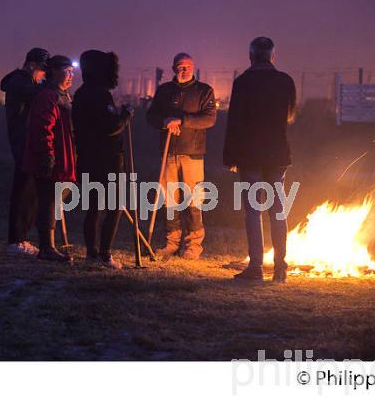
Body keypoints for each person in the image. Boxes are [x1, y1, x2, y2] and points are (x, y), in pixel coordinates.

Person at [223, 37, 297, 283]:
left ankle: (255, 267)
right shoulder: (286, 81)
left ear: (250, 56)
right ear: (273, 57)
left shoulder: (242, 83)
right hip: (277, 154)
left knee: (253, 212)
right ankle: (280, 269)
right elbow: (290, 115)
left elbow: (234, 122)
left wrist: (230, 156)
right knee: (278, 212)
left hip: (250, 155)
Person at [146, 53, 216, 260]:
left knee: (194, 199)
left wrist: (181, 120)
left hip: (193, 153)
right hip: (168, 151)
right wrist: (165, 121)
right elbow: (151, 116)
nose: (184, 70)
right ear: (173, 68)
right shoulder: (164, 90)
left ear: (193, 67)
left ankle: (193, 245)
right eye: (180, 66)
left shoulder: (204, 91)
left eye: (187, 66)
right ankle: (171, 242)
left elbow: (209, 119)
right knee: (169, 199)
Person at [72, 50, 133, 269]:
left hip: (87, 158)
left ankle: (91, 253)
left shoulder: (80, 94)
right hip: (107, 160)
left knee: (93, 208)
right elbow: (111, 127)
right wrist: (125, 115)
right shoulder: (101, 95)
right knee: (115, 206)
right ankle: (105, 255)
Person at [23, 55, 76, 262]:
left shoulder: (63, 96)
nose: (71, 76)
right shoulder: (48, 96)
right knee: (49, 201)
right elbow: (43, 128)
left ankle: (49, 246)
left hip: (62, 158)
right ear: (54, 71)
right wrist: (47, 156)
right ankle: (47, 247)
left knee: (54, 201)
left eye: (73, 72)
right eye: (67, 71)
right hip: (51, 159)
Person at [1, 47, 50, 256]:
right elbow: (36, 96)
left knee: (30, 192)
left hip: (28, 143)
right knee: (23, 191)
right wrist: (51, 86)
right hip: (23, 144)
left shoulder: (25, 82)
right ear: (32, 65)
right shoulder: (19, 83)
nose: (43, 76)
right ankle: (16, 240)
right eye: (42, 71)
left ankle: (21, 238)